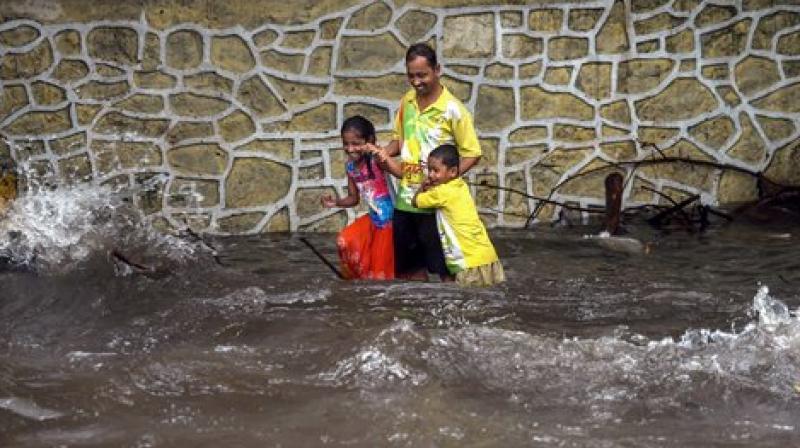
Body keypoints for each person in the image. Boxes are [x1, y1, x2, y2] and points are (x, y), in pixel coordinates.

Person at [373, 42, 482, 281]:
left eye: (422, 75)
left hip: (438, 206)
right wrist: (382, 153)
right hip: (406, 201)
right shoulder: (407, 102)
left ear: (437, 70)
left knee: (446, 273)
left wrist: (444, 182)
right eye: (411, 76)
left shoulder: (454, 110)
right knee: (409, 273)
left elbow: (472, 153)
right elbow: (399, 141)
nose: (416, 81)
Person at [412, 144, 504, 287]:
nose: (430, 175)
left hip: (468, 262)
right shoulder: (461, 186)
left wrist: (422, 188)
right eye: (429, 170)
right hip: (488, 257)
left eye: (436, 171)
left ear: (453, 171)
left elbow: (415, 202)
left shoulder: (441, 193)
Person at [321, 116, 394, 280]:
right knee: (344, 241)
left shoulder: (378, 160)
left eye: (356, 143)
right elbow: (354, 198)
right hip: (374, 219)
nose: (350, 149)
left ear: (369, 141)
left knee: (380, 273)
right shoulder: (350, 167)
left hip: (389, 223)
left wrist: (376, 151)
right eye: (346, 144)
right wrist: (336, 202)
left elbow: (394, 166)